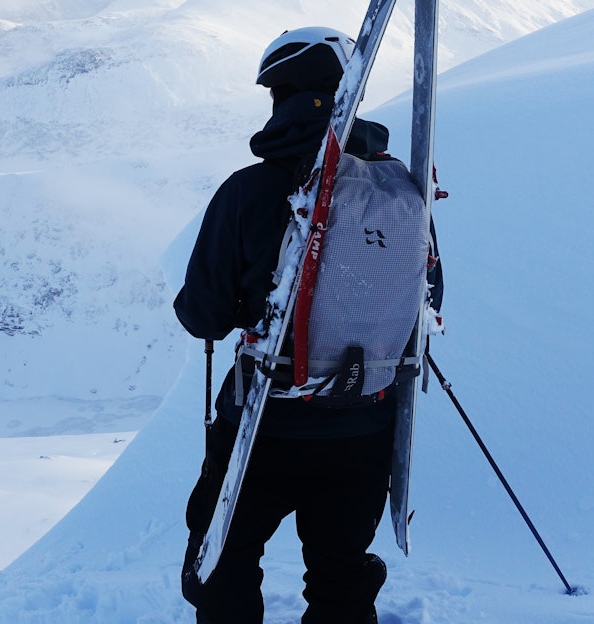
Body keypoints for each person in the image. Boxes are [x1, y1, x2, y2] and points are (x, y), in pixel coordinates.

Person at [174, 27, 444, 624]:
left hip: (262, 426)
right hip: (365, 427)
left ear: (280, 96)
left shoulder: (248, 191)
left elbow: (204, 315)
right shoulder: (401, 189)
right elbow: (427, 294)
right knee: (341, 573)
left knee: (222, 560)